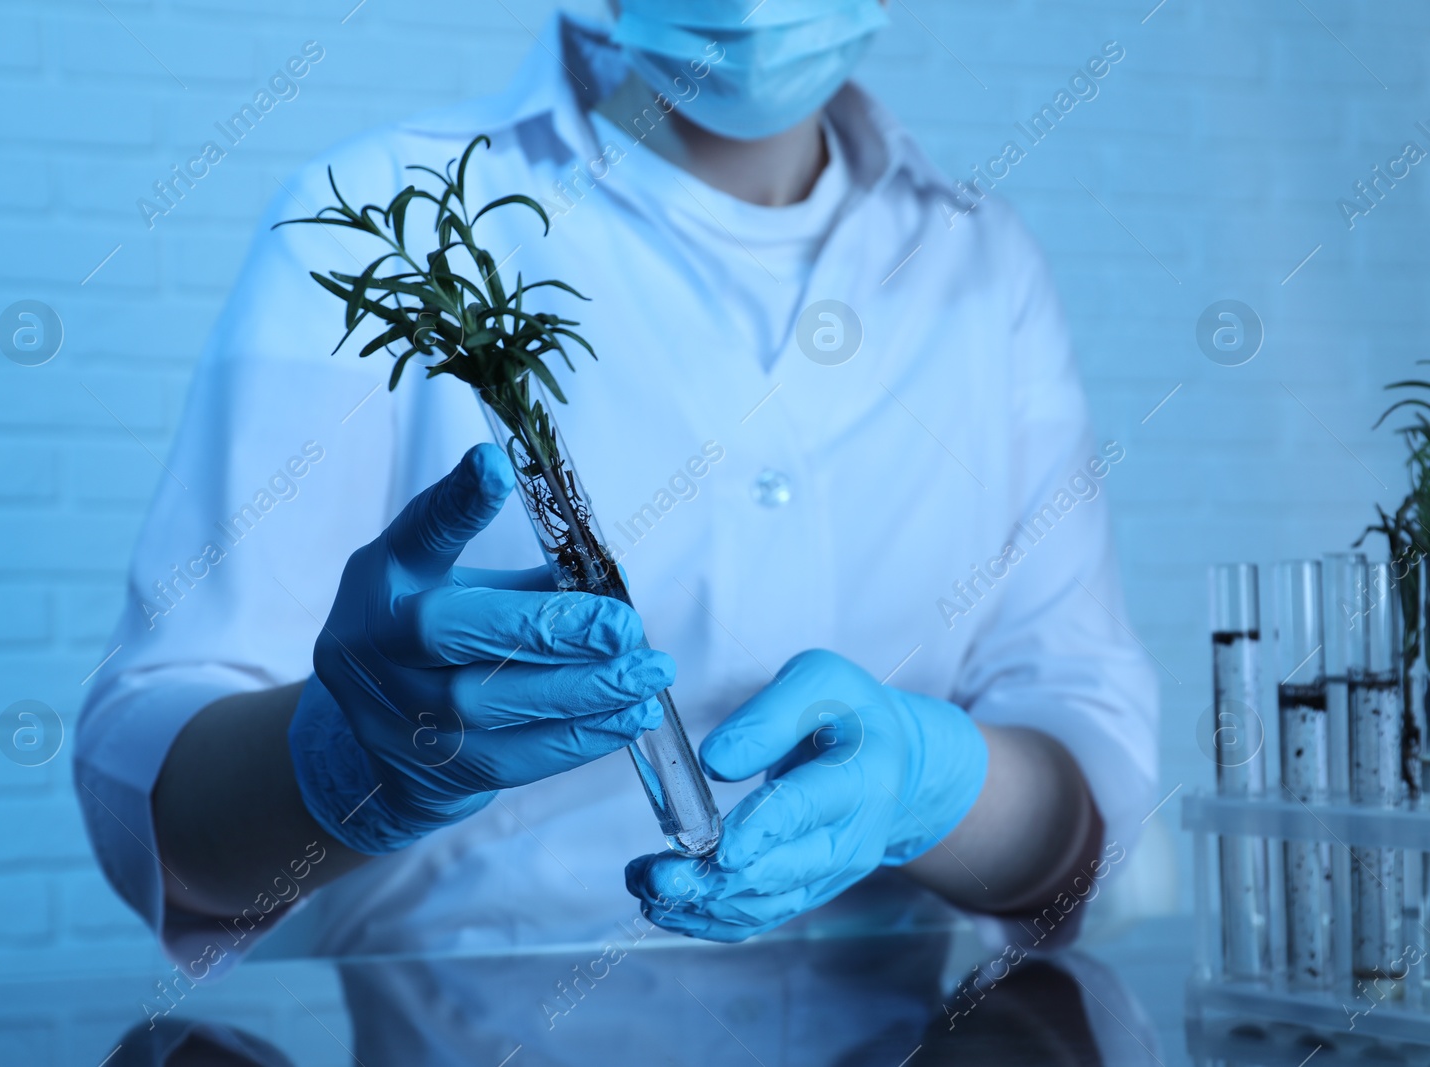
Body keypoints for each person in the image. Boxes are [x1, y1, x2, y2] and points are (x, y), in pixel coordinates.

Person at [76, 0, 1157, 969]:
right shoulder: (377, 210)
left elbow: (1082, 805)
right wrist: (348, 753)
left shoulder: (983, 265)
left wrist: (935, 784)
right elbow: (165, 826)